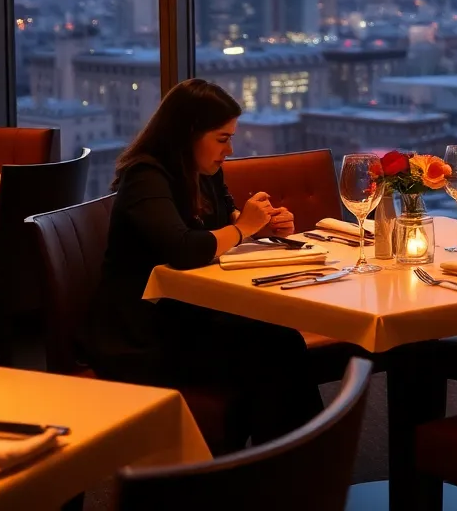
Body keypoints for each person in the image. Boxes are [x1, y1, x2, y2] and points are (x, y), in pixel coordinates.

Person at [81, 78, 323, 447]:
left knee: (280, 342)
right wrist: (244, 229)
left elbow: (223, 226)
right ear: (188, 132)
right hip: (140, 334)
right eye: (222, 139)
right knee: (275, 352)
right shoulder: (146, 176)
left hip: (187, 315)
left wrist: (260, 227)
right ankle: (285, 470)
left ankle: (290, 469)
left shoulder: (204, 172)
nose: (229, 149)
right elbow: (184, 248)